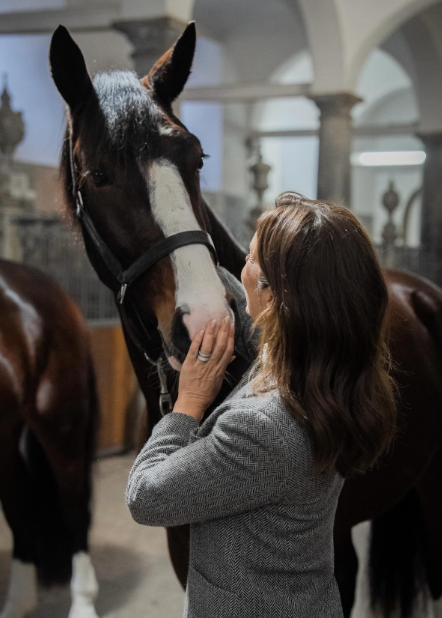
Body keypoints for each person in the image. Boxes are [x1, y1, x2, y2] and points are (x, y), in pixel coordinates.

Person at [125, 192, 397, 618]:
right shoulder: (329, 376)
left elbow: (145, 497)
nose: (238, 273)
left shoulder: (264, 427)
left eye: (250, 261)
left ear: (278, 294)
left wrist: (188, 404)